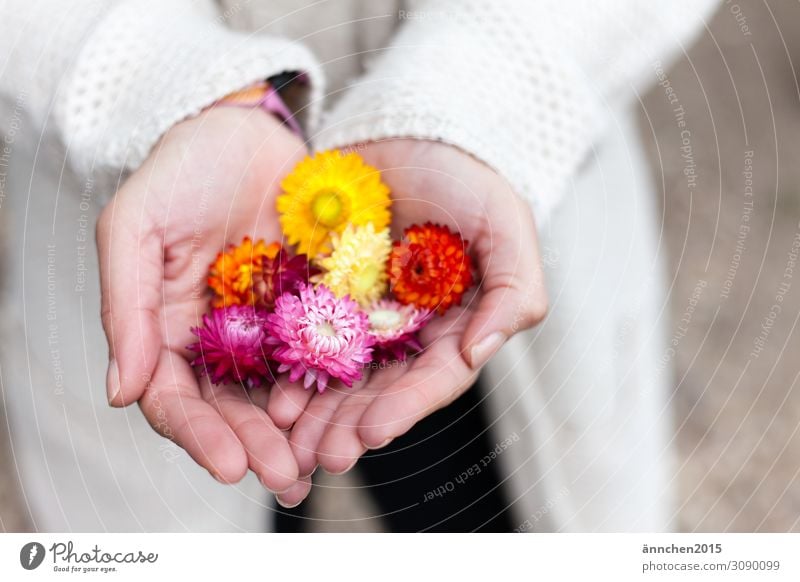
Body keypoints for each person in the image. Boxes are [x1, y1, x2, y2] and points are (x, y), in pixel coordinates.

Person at [0, 0, 718, 531]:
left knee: (502, 519)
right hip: (155, 248)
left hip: (502, 204)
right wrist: (152, 83)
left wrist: (482, 97)